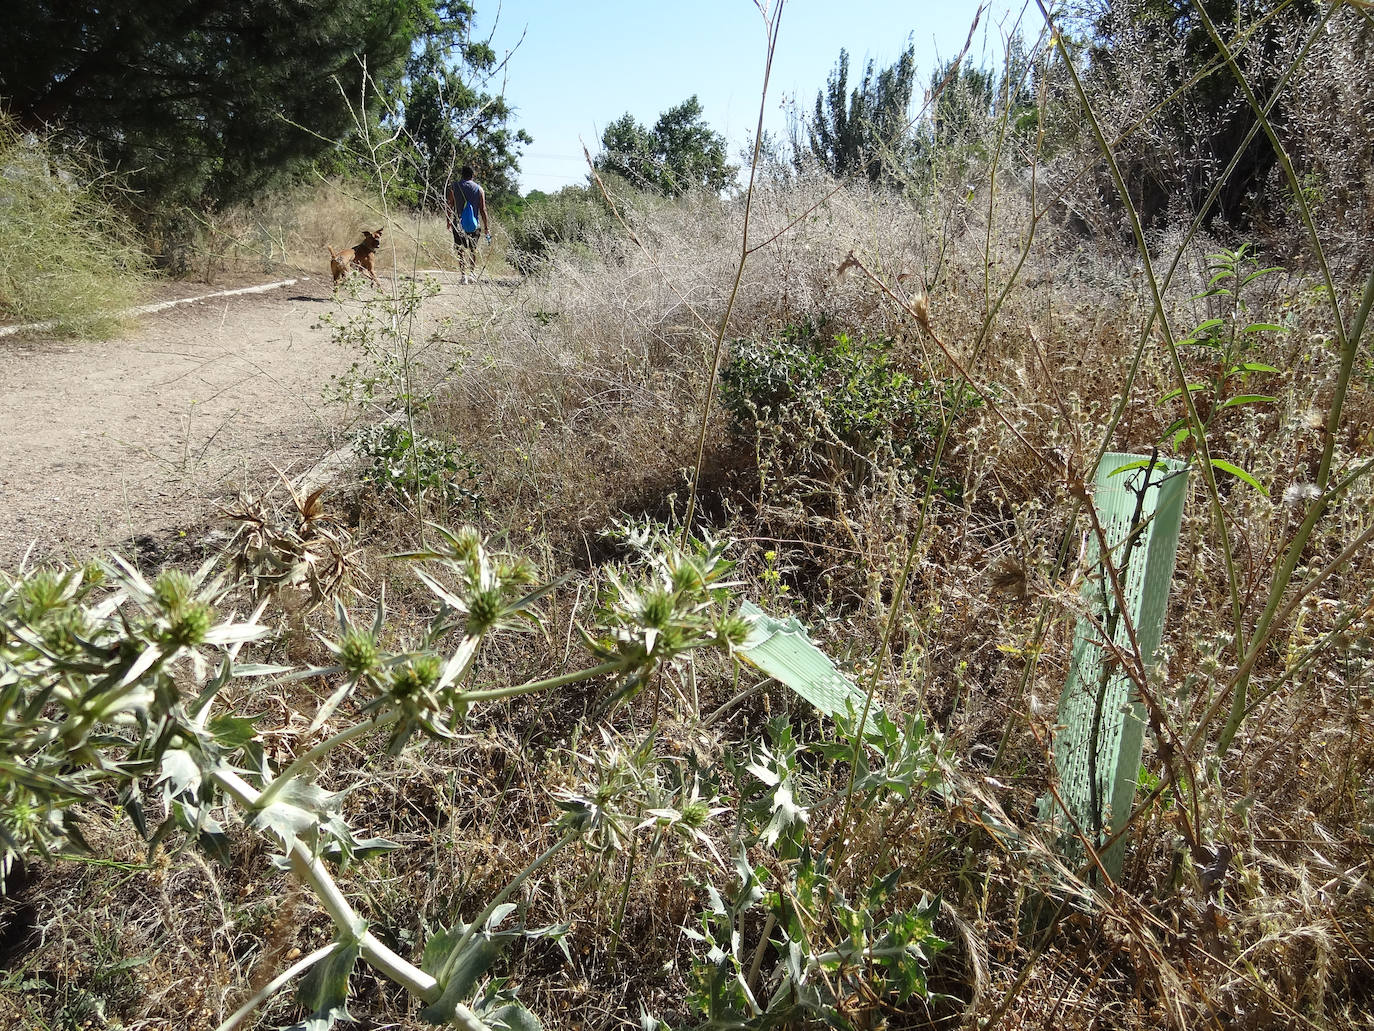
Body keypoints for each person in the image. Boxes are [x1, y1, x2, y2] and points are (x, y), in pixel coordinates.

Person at [445, 165, 490, 283]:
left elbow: (450, 205)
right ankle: (472, 274)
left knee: (460, 249)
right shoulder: (479, 189)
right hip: (475, 224)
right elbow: (483, 209)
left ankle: (463, 276)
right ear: (472, 176)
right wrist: (486, 227)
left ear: (462, 175)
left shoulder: (454, 187)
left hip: (458, 223)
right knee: (473, 249)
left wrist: (448, 222)